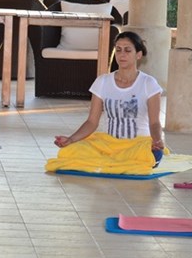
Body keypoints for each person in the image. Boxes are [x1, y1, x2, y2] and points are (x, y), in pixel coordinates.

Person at [53, 31, 165, 165]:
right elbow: (91, 122)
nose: (122, 54)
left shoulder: (149, 83)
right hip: (108, 144)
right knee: (68, 152)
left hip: (137, 145)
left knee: (152, 155)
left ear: (138, 54)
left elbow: (154, 123)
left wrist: (157, 141)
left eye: (128, 50)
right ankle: (115, 161)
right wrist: (70, 139)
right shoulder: (102, 81)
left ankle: (118, 161)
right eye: (118, 50)